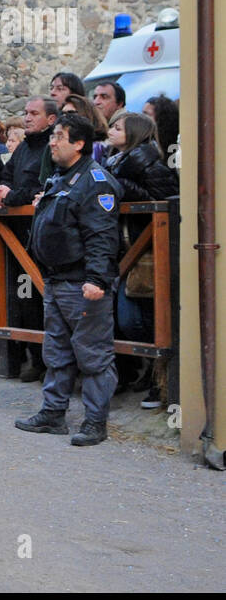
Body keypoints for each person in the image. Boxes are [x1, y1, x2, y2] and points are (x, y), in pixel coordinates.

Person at [15, 114, 122, 446]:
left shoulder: (95, 181)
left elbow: (102, 236)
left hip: (82, 284)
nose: (52, 141)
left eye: (59, 136)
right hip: (59, 281)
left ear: (79, 143)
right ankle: (53, 413)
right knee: (57, 351)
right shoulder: (60, 179)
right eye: (52, 136)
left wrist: (97, 279)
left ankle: (94, 422)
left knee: (93, 354)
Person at [105, 111, 179, 407]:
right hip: (125, 248)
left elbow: (165, 204)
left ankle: (157, 380)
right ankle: (139, 374)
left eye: (118, 127)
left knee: (136, 318)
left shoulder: (147, 163)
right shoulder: (116, 162)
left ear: (134, 133)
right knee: (125, 317)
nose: (110, 130)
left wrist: (118, 186)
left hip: (146, 251)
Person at [0, 96, 58, 381]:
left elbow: (42, 186)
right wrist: (1, 190)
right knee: (23, 294)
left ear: (50, 120)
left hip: (41, 236)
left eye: (34, 113)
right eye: (26, 113)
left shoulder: (52, 147)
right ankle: (32, 357)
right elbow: (8, 173)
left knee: (44, 298)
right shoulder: (25, 146)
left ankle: (49, 361)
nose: (27, 118)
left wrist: (10, 196)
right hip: (16, 236)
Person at [60, 93, 110, 162]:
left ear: (86, 115)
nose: (64, 118)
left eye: (70, 114)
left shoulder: (96, 147)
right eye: (62, 114)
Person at [142, 94, 178, 164]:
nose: (141, 118)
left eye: (147, 115)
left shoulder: (177, 145)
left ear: (161, 118)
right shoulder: (145, 142)